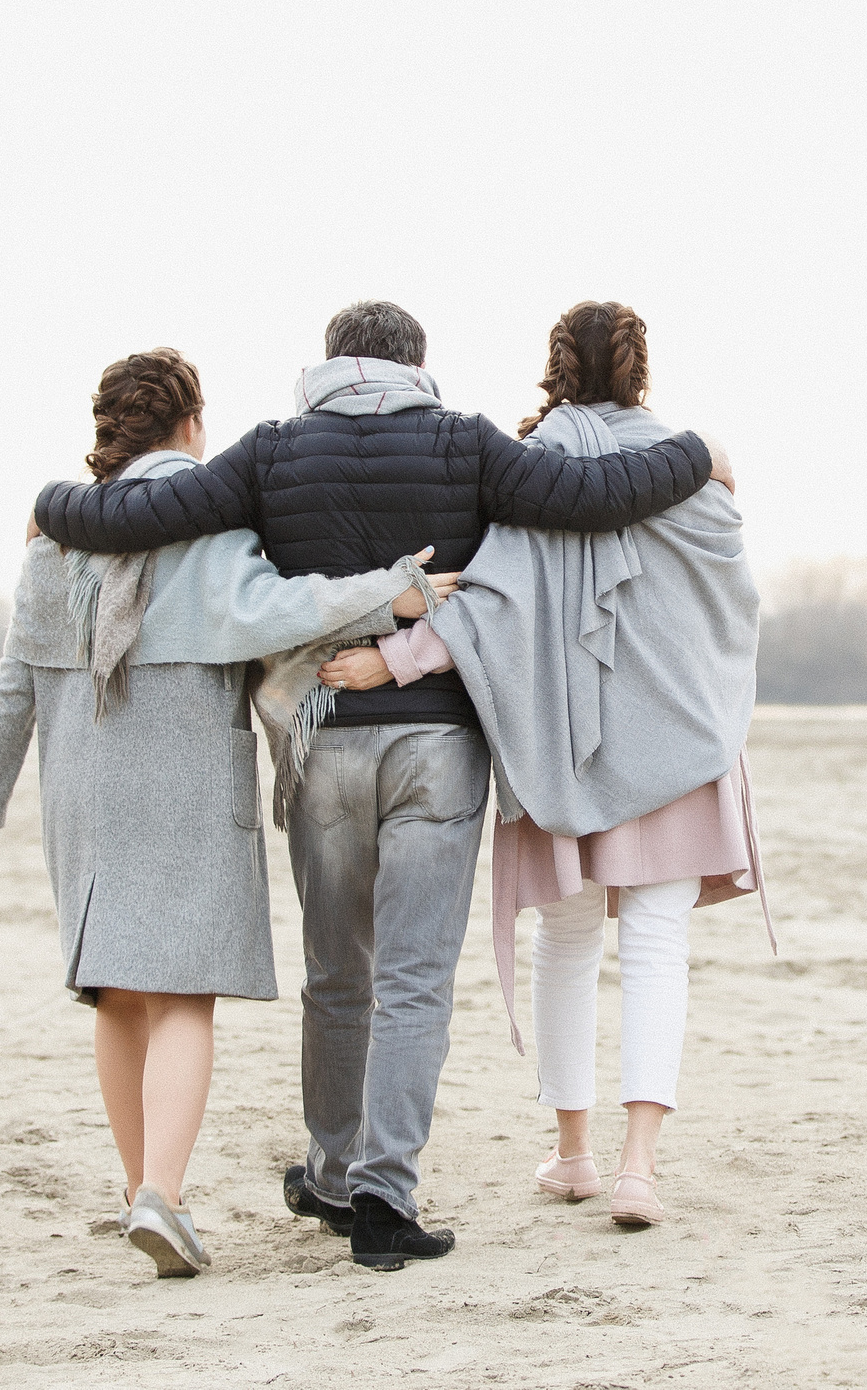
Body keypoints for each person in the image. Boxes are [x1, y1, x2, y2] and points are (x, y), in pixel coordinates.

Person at [32, 302, 729, 1271]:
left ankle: (328, 1172)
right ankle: (383, 1197)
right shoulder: (464, 444)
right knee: (413, 978)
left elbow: (142, 514)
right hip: (438, 744)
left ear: (329, 364)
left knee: (336, 972)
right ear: (416, 365)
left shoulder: (271, 452)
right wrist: (697, 453)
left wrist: (51, 502)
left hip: (322, 739)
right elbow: (593, 495)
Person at [0, 348, 457, 1279]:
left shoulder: (54, 539)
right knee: (181, 995)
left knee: (114, 992)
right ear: (191, 425)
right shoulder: (208, 535)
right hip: (184, 785)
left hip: (83, 792)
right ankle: (160, 1193)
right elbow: (284, 612)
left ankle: (144, 1193)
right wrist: (391, 591)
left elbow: (14, 682)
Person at [320, 301, 766, 1229]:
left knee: (566, 943)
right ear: (640, 369)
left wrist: (389, 661)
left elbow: (487, 607)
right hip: (677, 744)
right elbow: (732, 608)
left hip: (560, 748)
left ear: (555, 367)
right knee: (658, 946)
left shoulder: (532, 472)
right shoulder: (695, 472)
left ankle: (575, 1154)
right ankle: (639, 1169)